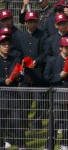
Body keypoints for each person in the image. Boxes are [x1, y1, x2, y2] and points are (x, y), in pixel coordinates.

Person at [13, 10, 48, 143]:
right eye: (29, 21)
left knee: (40, 102)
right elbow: (16, 52)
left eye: (34, 21)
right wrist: (21, 60)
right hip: (25, 76)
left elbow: (46, 53)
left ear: (37, 22)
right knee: (24, 103)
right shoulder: (20, 36)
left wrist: (37, 61)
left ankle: (36, 124)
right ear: (26, 22)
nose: (32, 23)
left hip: (39, 75)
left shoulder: (43, 36)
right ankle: (24, 124)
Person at [44, 36, 68, 150]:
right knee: (54, 122)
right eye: (66, 47)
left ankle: (65, 144)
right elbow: (46, 77)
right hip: (56, 95)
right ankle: (49, 145)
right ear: (61, 48)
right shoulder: (52, 60)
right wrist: (58, 76)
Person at [0, 33, 20, 148]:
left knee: (17, 121)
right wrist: (3, 80)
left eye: (8, 44)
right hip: (1, 96)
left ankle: (18, 143)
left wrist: (18, 76)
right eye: (3, 44)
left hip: (13, 96)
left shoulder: (15, 59)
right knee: (1, 123)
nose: (6, 46)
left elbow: (21, 75)